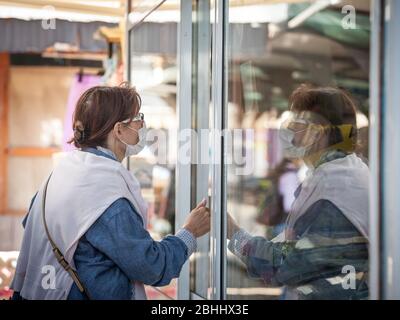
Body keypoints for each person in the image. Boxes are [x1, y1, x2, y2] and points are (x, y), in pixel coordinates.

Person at [10, 84, 210, 300]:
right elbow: (151, 266)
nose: (142, 125)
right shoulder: (105, 193)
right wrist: (189, 232)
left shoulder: (61, 173)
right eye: (137, 118)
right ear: (118, 130)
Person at [228, 84, 369, 300]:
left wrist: (232, 232)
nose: (290, 134)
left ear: (317, 134)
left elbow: (284, 266)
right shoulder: (345, 174)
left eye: (297, 126)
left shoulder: (333, 191)